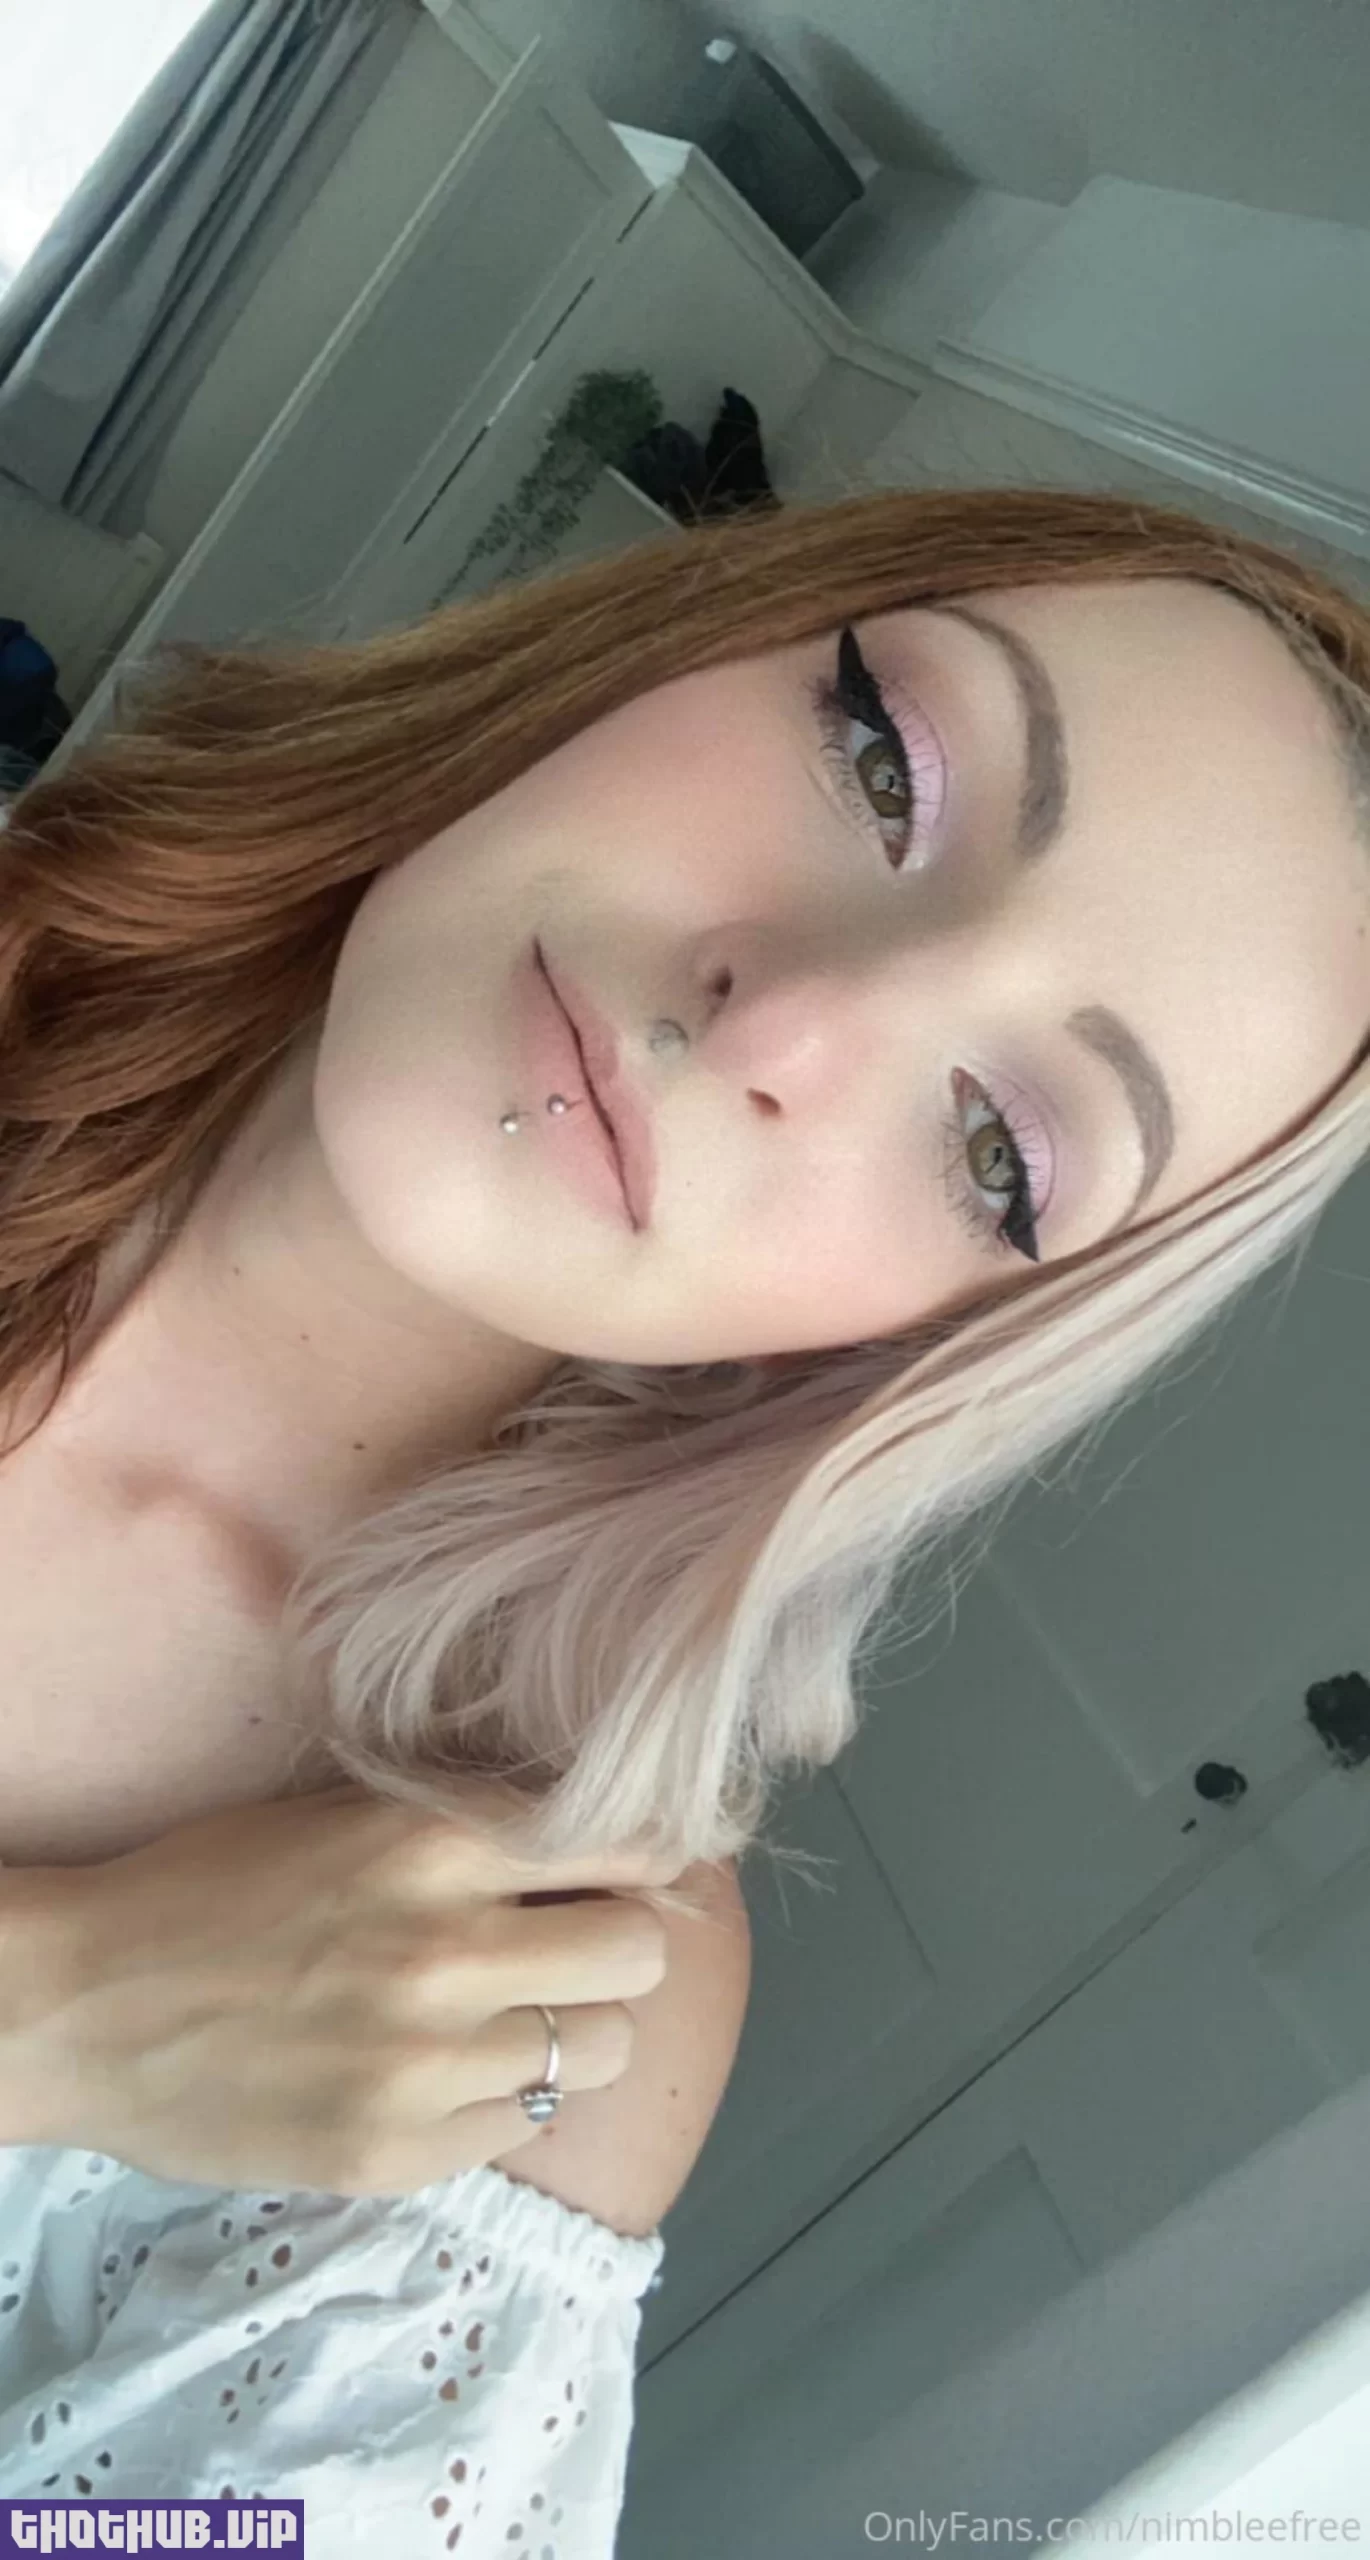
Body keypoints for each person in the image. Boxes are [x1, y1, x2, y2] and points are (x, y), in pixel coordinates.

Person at [0, 482, 1367, 2540]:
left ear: (938, 1341)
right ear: (695, 627)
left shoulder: (552, 1959)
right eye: (883, 761)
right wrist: (55, 2007)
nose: (787, 1019)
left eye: (1000, 1155)